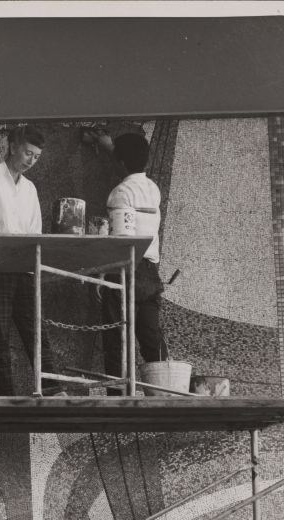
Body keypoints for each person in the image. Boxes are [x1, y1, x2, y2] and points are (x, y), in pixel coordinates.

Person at [0, 124, 65, 397]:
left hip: (23, 266)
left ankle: (53, 390)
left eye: (37, 157)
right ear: (13, 147)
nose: (31, 161)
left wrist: (32, 267)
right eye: (28, 153)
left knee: (35, 331)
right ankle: (6, 396)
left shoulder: (30, 189)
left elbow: (35, 234)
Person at [89, 131, 169, 394]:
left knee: (117, 338)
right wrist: (109, 146)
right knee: (150, 336)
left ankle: (118, 396)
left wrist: (101, 274)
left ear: (121, 163)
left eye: (116, 160)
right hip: (149, 271)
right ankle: (165, 388)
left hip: (125, 268)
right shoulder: (152, 189)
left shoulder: (121, 192)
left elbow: (120, 240)